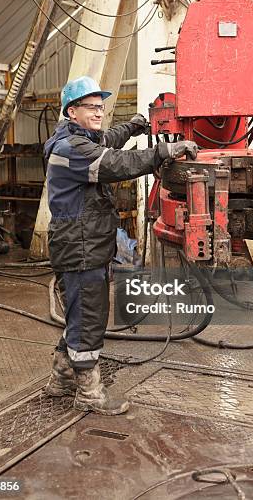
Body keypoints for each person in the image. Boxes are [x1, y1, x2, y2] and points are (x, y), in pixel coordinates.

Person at [44, 76, 197, 414]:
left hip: (84, 243)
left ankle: (62, 377)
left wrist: (133, 126)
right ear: (72, 111)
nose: (99, 112)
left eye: (102, 106)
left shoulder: (75, 138)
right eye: (92, 107)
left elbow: (106, 139)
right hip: (80, 247)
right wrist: (162, 151)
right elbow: (116, 163)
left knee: (78, 312)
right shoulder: (71, 149)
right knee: (88, 315)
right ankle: (89, 393)